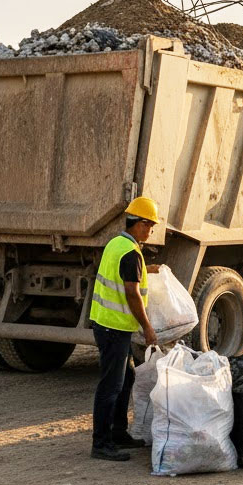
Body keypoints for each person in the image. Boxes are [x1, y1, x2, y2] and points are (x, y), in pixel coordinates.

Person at [88, 196, 162, 460]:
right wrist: (148, 327)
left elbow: (126, 276)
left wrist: (146, 270)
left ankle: (118, 433)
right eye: (150, 226)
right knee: (111, 385)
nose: (151, 231)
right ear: (140, 224)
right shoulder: (131, 253)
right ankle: (101, 443)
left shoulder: (117, 244)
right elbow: (132, 293)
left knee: (127, 378)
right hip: (113, 328)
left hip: (106, 324)